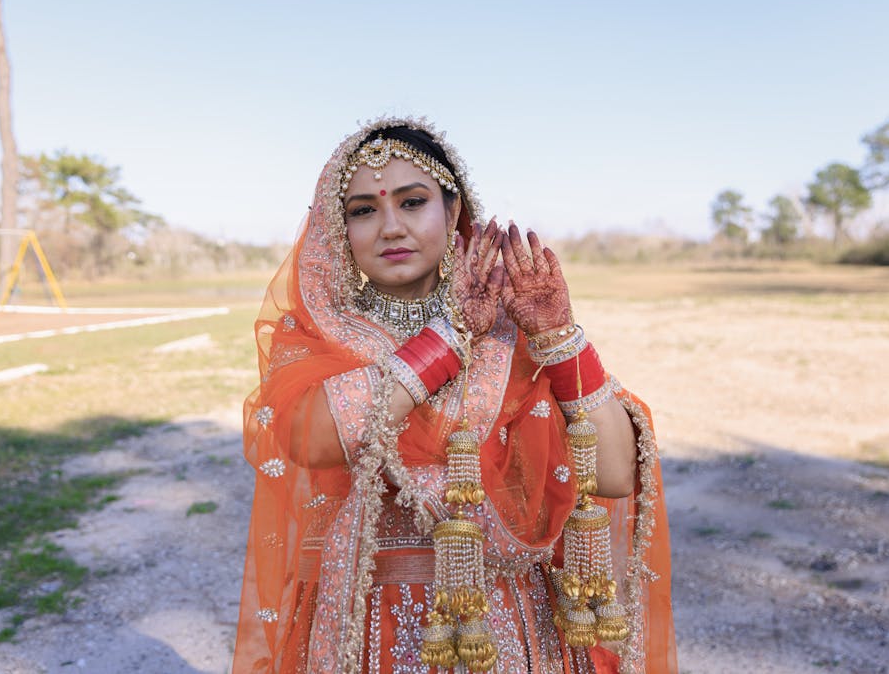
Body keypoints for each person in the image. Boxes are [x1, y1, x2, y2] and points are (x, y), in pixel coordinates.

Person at [232, 117, 675, 674]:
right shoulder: (318, 337)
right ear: (338, 230)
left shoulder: (513, 336)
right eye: (363, 210)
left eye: (412, 202)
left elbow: (613, 474)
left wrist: (559, 336)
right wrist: (450, 335)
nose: (390, 226)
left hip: (511, 626)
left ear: (453, 210)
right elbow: (316, 439)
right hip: (370, 629)